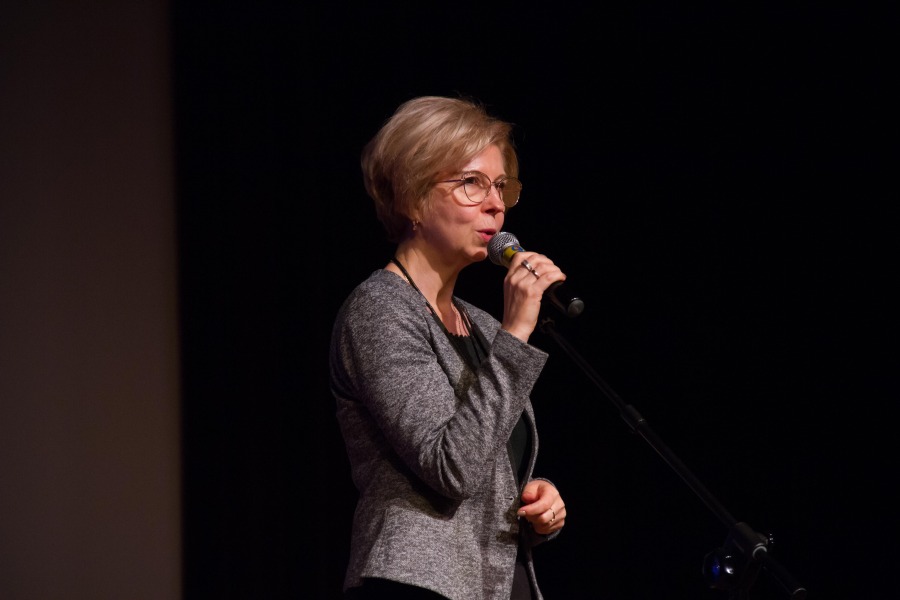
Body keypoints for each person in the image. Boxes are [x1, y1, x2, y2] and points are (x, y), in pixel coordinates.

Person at [329, 95, 568, 600]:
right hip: (416, 583)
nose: (496, 204)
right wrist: (515, 334)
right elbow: (451, 467)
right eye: (472, 183)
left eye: (501, 186)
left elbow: (481, 454)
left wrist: (531, 501)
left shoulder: (480, 325)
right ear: (413, 197)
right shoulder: (380, 309)